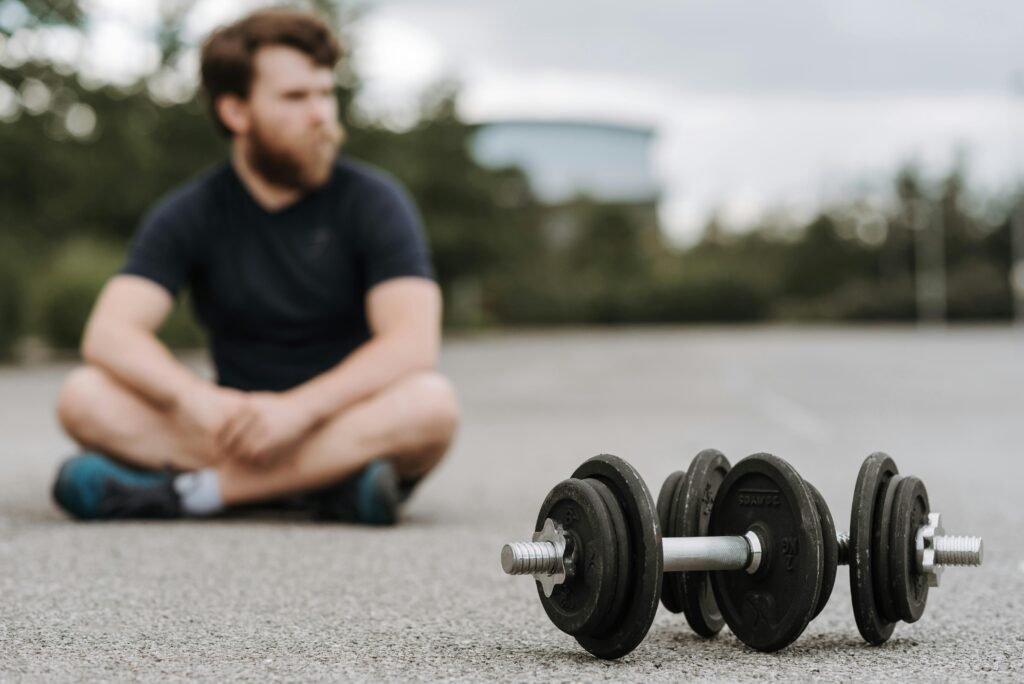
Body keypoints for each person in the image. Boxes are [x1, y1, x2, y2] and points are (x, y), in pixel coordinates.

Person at [50, 8, 459, 525]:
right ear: (236, 112)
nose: (321, 115)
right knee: (82, 395)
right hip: (232, 427)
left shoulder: (374, 200)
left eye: (325, 94)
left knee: (431, 405)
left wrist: (299, 411)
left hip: (341, 419)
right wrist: (196, 399)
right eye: (295, 97)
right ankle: (324, 487)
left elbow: (411, 343)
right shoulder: (192, 210)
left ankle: (194, 493)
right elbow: (109, 334)